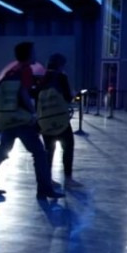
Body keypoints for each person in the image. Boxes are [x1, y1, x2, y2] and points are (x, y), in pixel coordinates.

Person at [0, 42, 64, 199]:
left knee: (2, 152)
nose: (36, 54)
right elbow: (23, 92)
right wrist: (33, 112)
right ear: (29, 54)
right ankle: (44, 189)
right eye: (34, 51)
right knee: (40, 153)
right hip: (21, 120)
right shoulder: (25, 71)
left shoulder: (11, 71)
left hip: (7, 118)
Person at [37, 53, 81, 188]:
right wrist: (73, 95)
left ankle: (48, 179)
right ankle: (68, 179)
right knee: (68, 147)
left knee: (48, 150)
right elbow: (68, 98)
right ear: (61, 65)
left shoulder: (42, 79)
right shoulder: (61, 77)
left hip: (45, 120)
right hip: (60, 119)